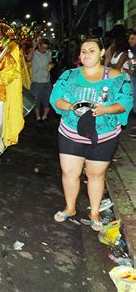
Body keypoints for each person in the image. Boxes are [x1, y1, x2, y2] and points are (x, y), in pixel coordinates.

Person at [50, 36, 132, 231]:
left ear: (102, 52)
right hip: (70, 133)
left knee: (96, 174)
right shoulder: (69, 75)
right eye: (83, 51)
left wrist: (105, 109)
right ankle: (70, 208)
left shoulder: (117, 77)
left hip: (104, 136)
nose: (86, 54)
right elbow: (56, 98)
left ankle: (94, 212)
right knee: (70, 173)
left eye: (92, 50)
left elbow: (125, 103)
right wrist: (70, 106)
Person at [26, 38, 53, 121]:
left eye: (46, 48)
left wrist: (51, 65)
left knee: (47, 99)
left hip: (47, 80)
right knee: (36, 99)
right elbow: (28, 59)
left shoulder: (48, 53)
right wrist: (34, 47)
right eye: (43, 47)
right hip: (37, 81)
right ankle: (38, 116)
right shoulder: (34, 53)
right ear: (39, 46)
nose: (44, 50)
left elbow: (50, 62)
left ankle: (44, 116)